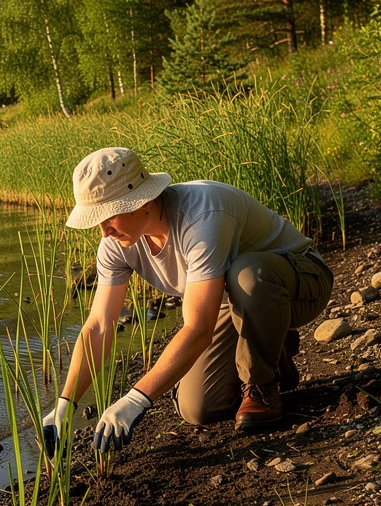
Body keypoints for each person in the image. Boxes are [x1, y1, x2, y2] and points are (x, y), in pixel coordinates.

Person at [43, 146, 333, 452]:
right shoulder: (116, 243)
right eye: (96, 220)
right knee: (198, 409)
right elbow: (99, 326)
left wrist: (134, 400)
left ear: (142, 200)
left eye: (109, 216)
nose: (103, 232)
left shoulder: (202, 215)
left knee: (246, 274)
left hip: (296, 281)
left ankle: (262, 384)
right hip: (228, 302)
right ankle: (276, 348)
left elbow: (198, 328)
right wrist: (65, 405)